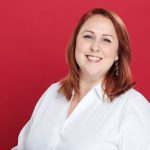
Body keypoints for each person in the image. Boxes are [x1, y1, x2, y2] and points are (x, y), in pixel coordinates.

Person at [12, 8, 150, 150]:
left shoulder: (131, 107)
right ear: (75, 42)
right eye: (88, 36)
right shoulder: (52, 93)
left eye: (106, 40)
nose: (95, 47)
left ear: (118, 53)